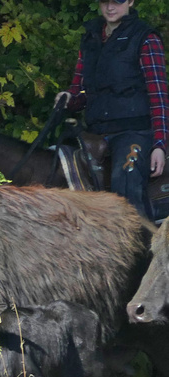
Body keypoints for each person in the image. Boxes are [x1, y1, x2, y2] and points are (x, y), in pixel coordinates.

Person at [56, 0, 168, 219]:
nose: (110, 8)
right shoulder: (90, 38)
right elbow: (80, 91)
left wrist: (160, 145)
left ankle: (140, 244)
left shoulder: (145, 38)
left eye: (117, 1)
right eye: (105, 2)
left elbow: (159, 96)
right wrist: (68, 98)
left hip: (134, 132)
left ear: (130, 2)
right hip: (95, 131)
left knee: (125, 181)